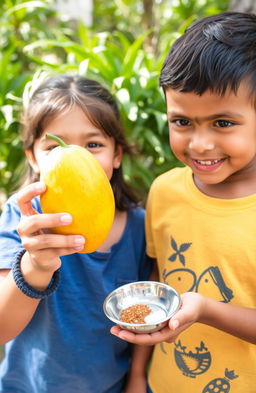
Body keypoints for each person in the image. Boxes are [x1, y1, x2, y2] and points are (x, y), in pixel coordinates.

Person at [111, 11, 256, 393]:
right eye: (182, 122)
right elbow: (160, 281)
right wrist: (139, 375)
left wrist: (207, 309)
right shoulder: (165, 191)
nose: (199, 144)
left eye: (223, 123)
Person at [0, 74, 153, 393]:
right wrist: (36, 266)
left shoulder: (140, 225)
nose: (77, 156)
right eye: (55, 146)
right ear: (33, 157)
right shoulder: (23, 219)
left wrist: (138, 377)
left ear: (117, 155)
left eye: (93, 145)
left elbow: (145, 313)